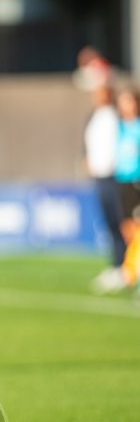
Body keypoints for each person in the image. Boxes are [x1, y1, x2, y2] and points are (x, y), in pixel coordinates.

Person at [85, 83, 127, 294]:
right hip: (100, 177)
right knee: (110, 222)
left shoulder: (115, 117)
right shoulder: (94, 116)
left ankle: (126, 267)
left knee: (122, 223)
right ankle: (116, 265)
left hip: (115, 177)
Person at [114, 87, 140, 290]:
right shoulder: (118, 127)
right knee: (127, 227)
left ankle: (132, 271)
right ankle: (131, 268)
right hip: (122, 180)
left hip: (136, 181)